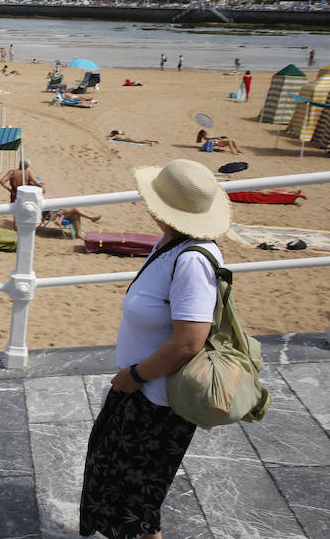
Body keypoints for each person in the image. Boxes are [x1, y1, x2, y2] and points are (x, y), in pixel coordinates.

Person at [79, 158, 229, 539]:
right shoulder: (172, 243)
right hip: (144, 392)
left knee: (131, 502)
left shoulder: (192, 260)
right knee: (136, 502)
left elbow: (189, 341)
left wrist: (135, 376)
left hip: (157, 400)